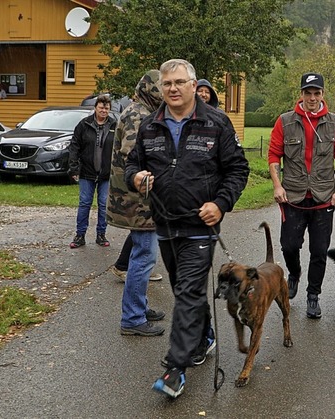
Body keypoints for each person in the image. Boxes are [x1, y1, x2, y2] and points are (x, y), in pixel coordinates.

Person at [125, 59, 249, 399]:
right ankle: (205, 336)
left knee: (189, 293)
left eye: (180, 82)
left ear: (195, 86)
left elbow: (238, 169)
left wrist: (220, 204)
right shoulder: (150, 126)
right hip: (164, 224)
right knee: (185, 290)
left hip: (199, 227)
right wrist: (135, 177)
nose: (173, 89)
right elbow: (133, 164)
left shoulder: (217, 123)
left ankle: (175, 369)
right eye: (167, 84)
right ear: (161, 88)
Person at [268, 72, 335, 319]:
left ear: (323, 94)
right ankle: (294, 273)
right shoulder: (285, 121)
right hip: (292, 196)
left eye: (317, 93)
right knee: (289, 245)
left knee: (319, 250)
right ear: (301, 94)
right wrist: (277, 186)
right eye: (308, 93)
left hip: (323, 196)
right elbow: (274, 155)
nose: (312, 98)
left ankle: (313, 295)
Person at [106, 70, 166, 336]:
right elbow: (133, 153)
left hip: (140, 198)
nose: (166, 93)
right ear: (151, 89)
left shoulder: (143, 111)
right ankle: (132, 318)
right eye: (162, 87)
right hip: (136, 200)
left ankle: (139, 307)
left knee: (142, 255)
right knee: (143, 256)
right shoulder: (137, 114)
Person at [68, 94, 116, 248]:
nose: (104, 110)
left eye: (106, 108)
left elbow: (119, 149)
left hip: (106, 174)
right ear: (95, 108)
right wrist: (74, 167)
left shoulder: (114, 126)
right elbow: (74, 146)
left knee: (103, 204)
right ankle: (80, 235)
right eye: (101, 107)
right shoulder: (84, 125)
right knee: (84, 204)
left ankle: (101, 235)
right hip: (86, 172)